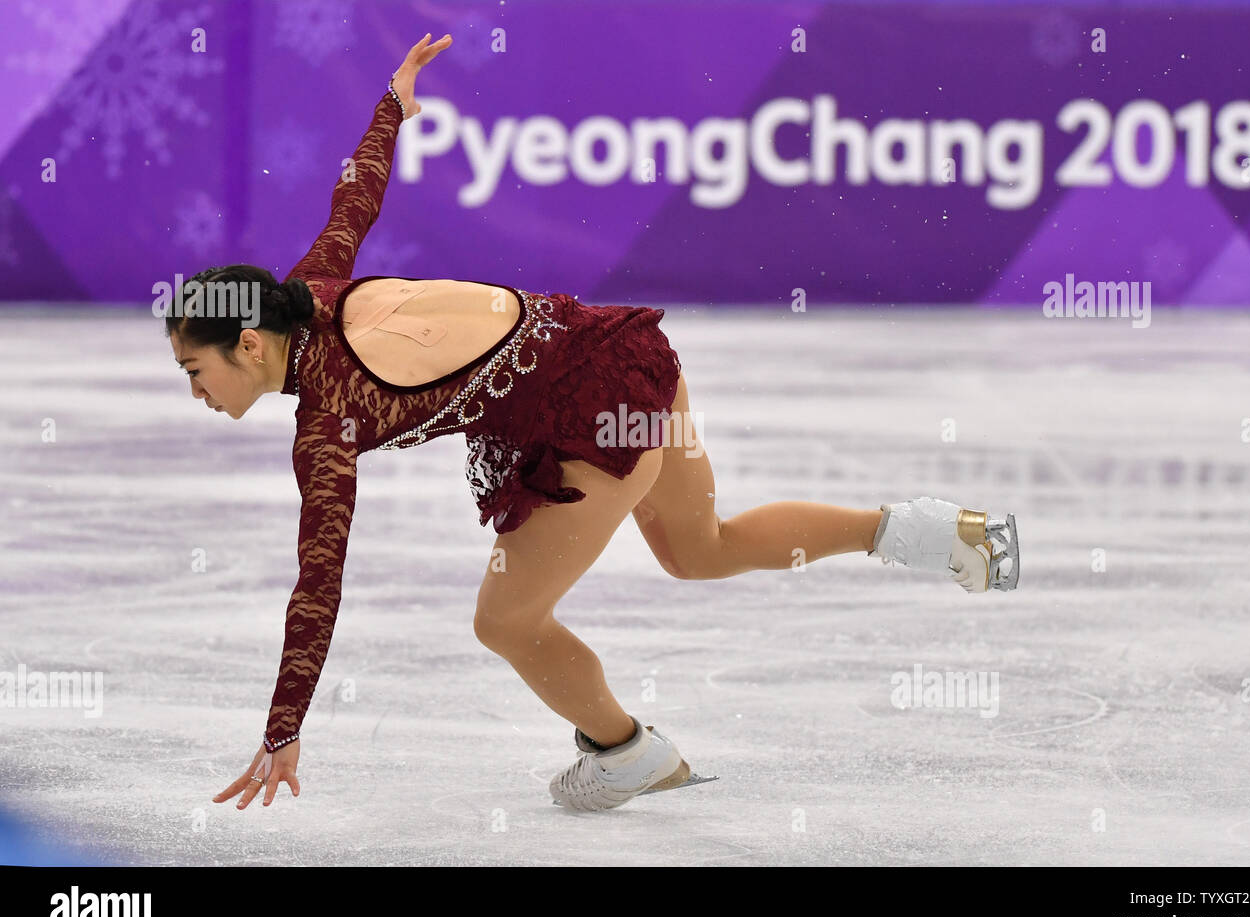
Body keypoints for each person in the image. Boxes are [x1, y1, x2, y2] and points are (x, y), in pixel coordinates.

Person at [166, 32, 1019, 815]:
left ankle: (623, 751)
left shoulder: (329, 423)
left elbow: (318, 585)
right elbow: (356, 195)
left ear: (247, 343)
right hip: (628, 353)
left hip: (589, 417)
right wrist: (392, 107)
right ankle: (939, 534)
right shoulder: (309, 290)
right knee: (700, 547)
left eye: (194, 370)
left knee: (504, 620)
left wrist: (283, 727)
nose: (195, 391)